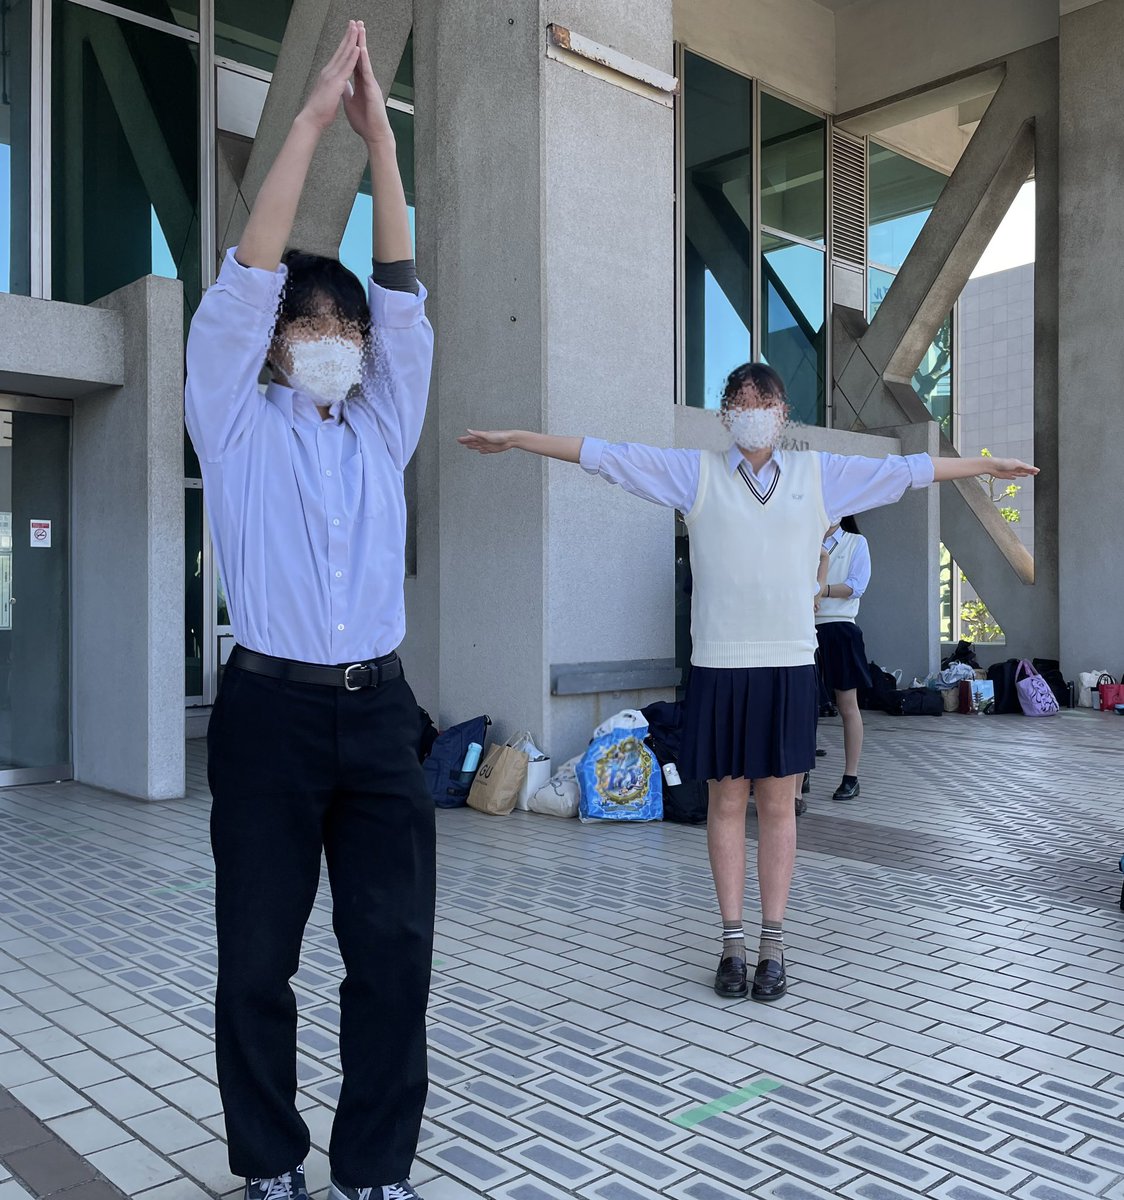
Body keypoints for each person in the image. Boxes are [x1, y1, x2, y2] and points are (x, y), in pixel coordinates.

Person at [459, 362, 1036, 1003]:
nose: (752, 408)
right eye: (740, 398)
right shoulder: (696, 472)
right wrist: (521, 438)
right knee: (727, 802)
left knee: (778, 803)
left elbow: (907, 472)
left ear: (782, 415)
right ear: (725, 414)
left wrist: (985, 468)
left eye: (764, 399)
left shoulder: (819, 476)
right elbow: (607, 457)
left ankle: (773, 945)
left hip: (789, 664)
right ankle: (731, 943)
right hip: (718, 665)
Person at [185, 22, 434, 1200]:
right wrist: (308, 126)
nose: (332, 342)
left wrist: (384, 146)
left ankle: (373, 1168)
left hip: (379, 715)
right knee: (257, 961)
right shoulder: (231, 424)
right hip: (268, 716)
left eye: (344, 331)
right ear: (276, 351)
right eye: (308, 327)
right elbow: (245, 278)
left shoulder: (384, 429)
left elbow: (401, 295)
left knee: (390, 955)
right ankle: (268, 1161)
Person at [816, 515, 871, 801]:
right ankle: (800, 778)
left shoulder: (856, 542)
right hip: (804, 629)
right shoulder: (805, 539)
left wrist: (820, 590)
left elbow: (856, 586)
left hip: (840, 627)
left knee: (848, 705)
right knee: (803, 707)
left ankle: (851, 776)